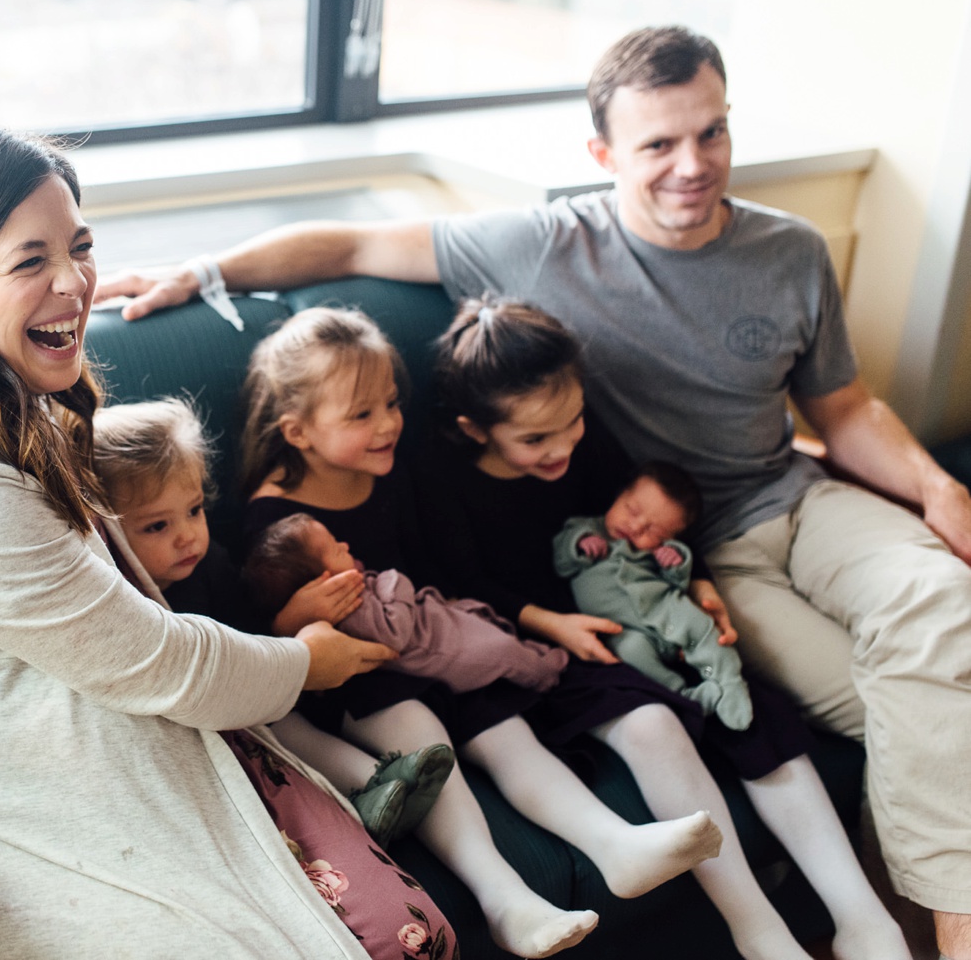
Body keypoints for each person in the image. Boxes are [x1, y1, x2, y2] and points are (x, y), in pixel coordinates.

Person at [94, 24, 971, 958]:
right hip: (702, 550)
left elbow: (843, 406)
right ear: (603, 156)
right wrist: (209, 270)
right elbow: (352, 240)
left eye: (711, 133)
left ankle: (940, 924)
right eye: (660, 144)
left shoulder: (789, 249)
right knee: (910, 697)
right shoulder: (546, 245)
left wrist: (935, 486)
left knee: (941, 613)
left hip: (799, 495)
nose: (693, 165)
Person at [0, 126, 467, 959]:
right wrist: (306, 663)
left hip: (89, 705)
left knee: (410, 932)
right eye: (30, 260)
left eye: (80, 247)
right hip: (3, 778)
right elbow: (164, 664)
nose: (75, 283)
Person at [419, 297, 910, 960]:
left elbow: (652, 512)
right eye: (535, 439)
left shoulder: (585, 442)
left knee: (747, 708)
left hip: (640, 606)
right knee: (651, 724)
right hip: (544, 640)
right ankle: (757, 927)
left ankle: (862, 916)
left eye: (572, 422)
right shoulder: (444, 480)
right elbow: (461, 582)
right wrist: (551, 623)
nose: (563, 445)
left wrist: (700, 581)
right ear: (475, 429)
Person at [238, 305, 726, 959]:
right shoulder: (270, 520)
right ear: (297, 431)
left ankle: (614, 844)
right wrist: (300, 616)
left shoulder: (394, 469)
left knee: (506, 727)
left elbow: (439, 572)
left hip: (430, 643)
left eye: (390, 403)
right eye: (362, 415)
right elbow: (261, 633)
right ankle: (505, 900)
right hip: (358, 675)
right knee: (422, 731)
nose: (388, 424)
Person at [90, 396, 456, 848]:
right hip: (200, 724)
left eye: (194, 510)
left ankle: (385, 785)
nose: (187, 536)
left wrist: (291, 622)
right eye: (156, 527)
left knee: (285, 718)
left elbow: (255, 634)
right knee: (279, 732)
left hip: (253, 690)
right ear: (105, 533)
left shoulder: (212, 563)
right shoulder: (127, 600)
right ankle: (366, 785)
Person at [245, 512, 569, 694]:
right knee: (504, 653)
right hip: (446, 652)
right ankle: (548, 675)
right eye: (336, 549)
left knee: (495, 629)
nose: (345, 544)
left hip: (445, 625)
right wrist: (396, 581)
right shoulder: (349, 613)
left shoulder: (357, 592)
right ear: (326, 582)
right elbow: (393, 634)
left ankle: (535, 654)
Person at [554, 461, 754, 730]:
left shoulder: (657, 552)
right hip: (625, 630)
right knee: (631, 653)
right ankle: (684, 695)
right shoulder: (585, 529)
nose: (635, 527)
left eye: (653, 531)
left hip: (666, 608)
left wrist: (675, 561)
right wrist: (580, 544)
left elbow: (679, 583)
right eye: (632, 510)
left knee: (703, 627)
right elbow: (561, 561)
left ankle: (728, 680)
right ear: (619, 495)